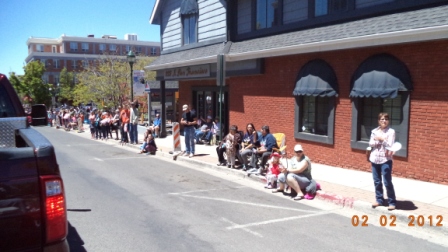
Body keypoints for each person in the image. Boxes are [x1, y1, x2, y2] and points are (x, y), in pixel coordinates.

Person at [369, 112, 397, 211]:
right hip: (374, 158)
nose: (384, 121)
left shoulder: (391, 132)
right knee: (377, 181)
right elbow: (371, 143)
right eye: (382, 119)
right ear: (379, 121)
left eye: (386, 119)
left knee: (387, 181)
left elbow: (390, 144)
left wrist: (380, 139)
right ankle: (379, 200)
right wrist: (380, 140)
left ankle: (392, 202)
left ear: (388, 121)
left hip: (386, 159)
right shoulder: (374, 131)